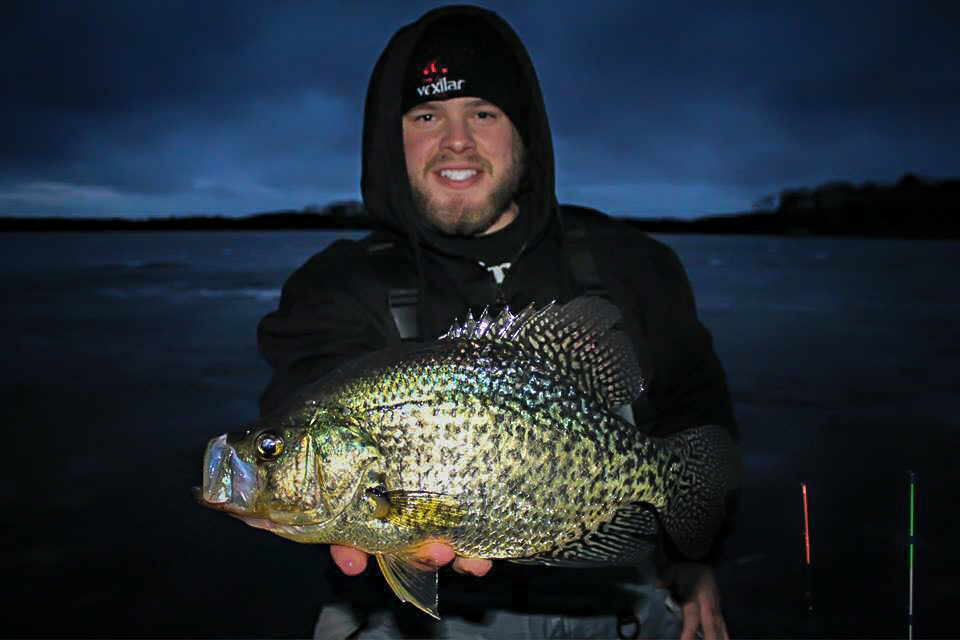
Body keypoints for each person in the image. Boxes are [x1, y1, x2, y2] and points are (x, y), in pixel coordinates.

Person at [257, 5, 740, 639]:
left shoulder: (634, 264)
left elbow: (694, 409)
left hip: (612, 598)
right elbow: (313, 397)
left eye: (482, 112)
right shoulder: (337, 285)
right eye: (426, 116)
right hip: (403, 612)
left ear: (524, 131)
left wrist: (695, 558)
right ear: (389, 139)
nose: (456, 140)